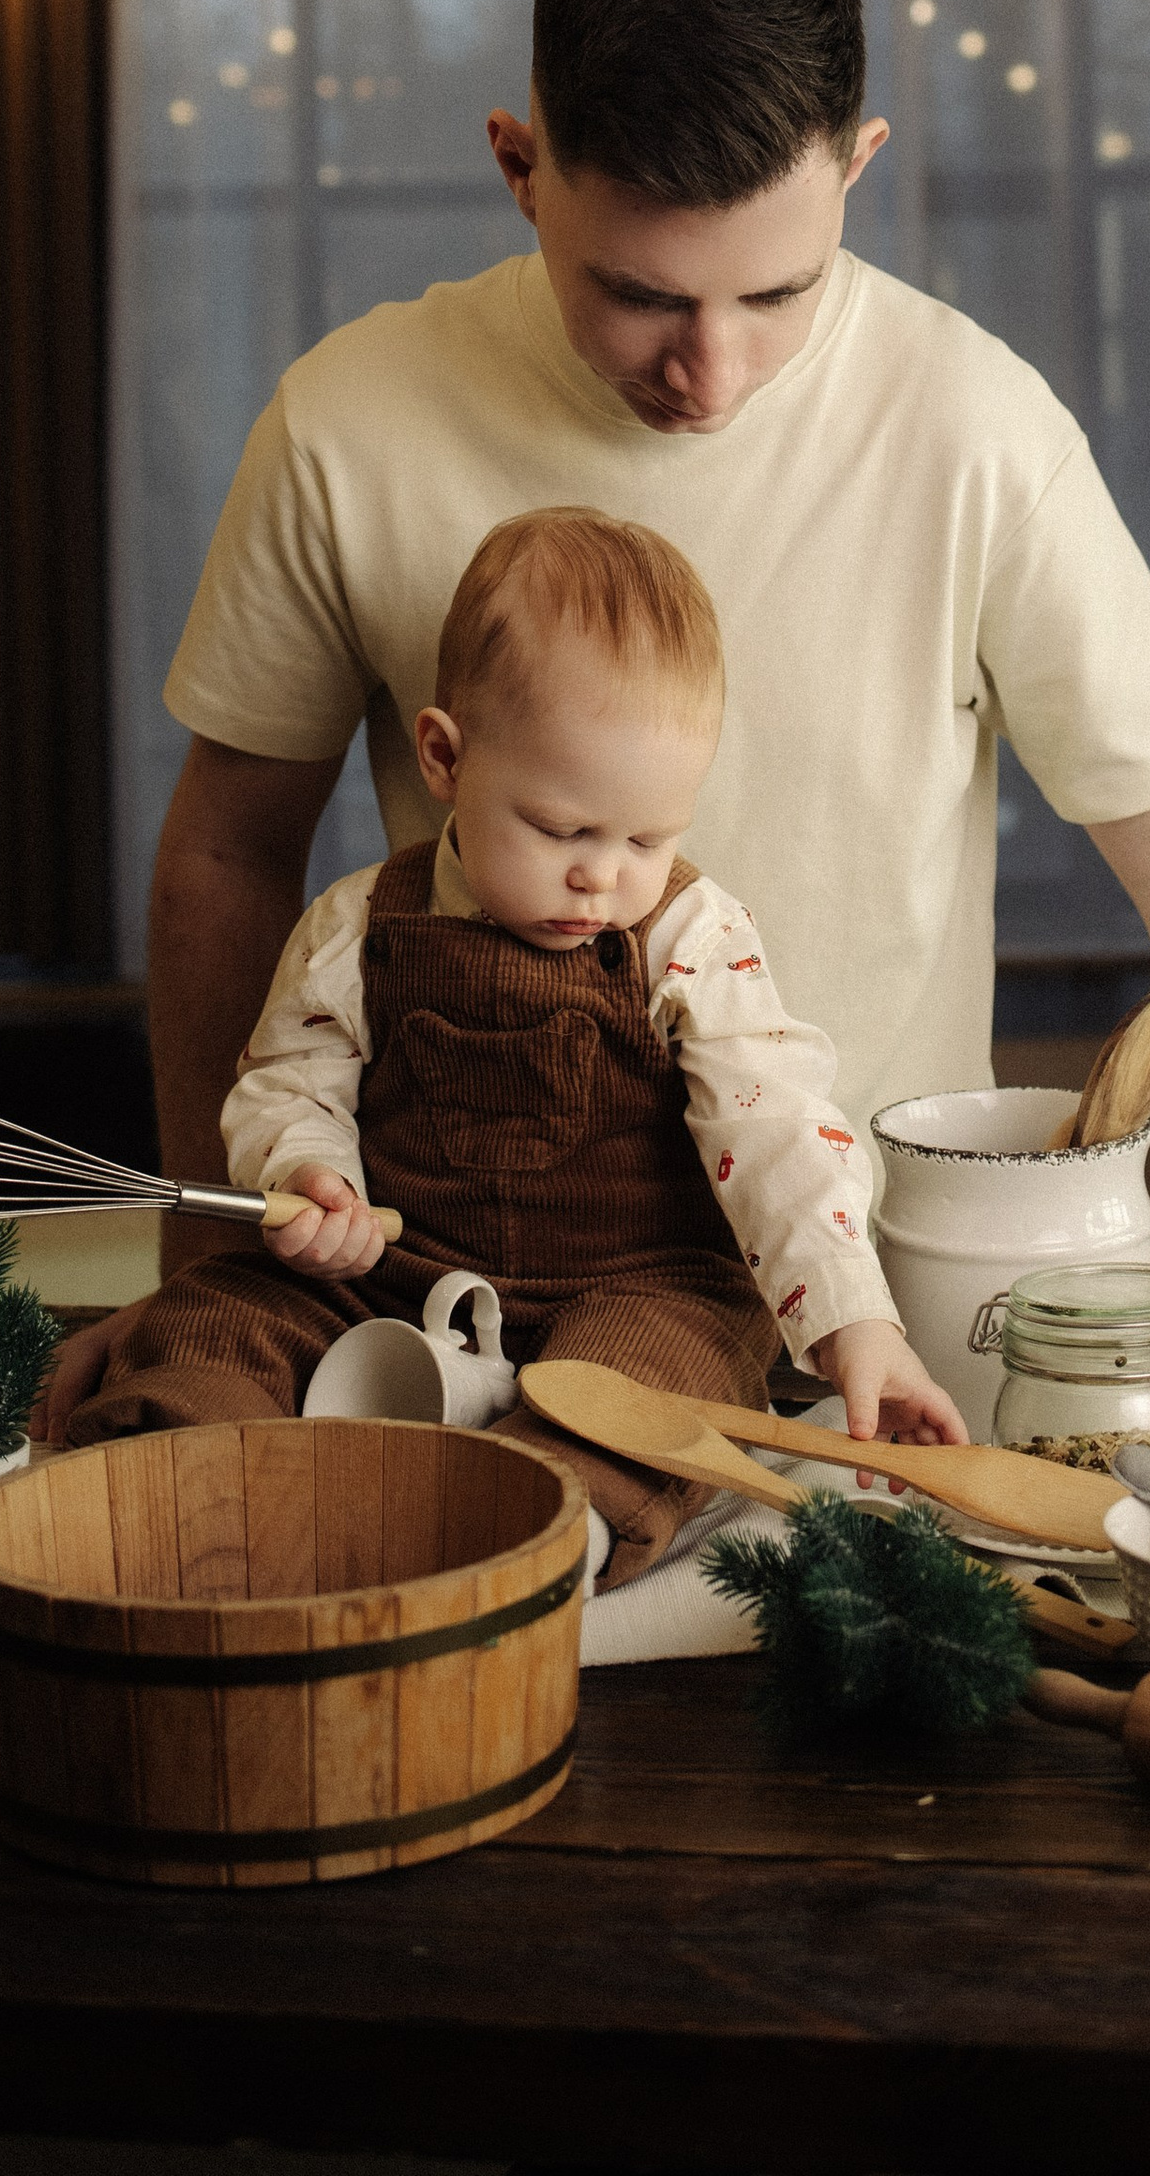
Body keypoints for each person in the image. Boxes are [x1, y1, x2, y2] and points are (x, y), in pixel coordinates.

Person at [51, 0, 1150, 1433]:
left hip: (860, 1316)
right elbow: (230, 851)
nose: (709, 373)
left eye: (777, 292)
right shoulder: (347, 423)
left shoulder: (977, 427)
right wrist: (204, 1258)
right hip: (437, 1284)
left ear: (860, 165)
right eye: (640, 297)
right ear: (521, 166)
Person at [67, 508, 963, 1577]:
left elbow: (777, 1130)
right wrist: (310, 1174)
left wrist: (858, 1326)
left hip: (637, 1284)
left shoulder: (691, 936)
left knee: (659, 1380)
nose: (603, 876)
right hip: (397, 1277)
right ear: (444, 757)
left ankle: (543, 1531)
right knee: (217, 1316)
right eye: (559, 828)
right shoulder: (359, 925)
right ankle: (187, 1483)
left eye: (647, 836)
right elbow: (286, 1082)